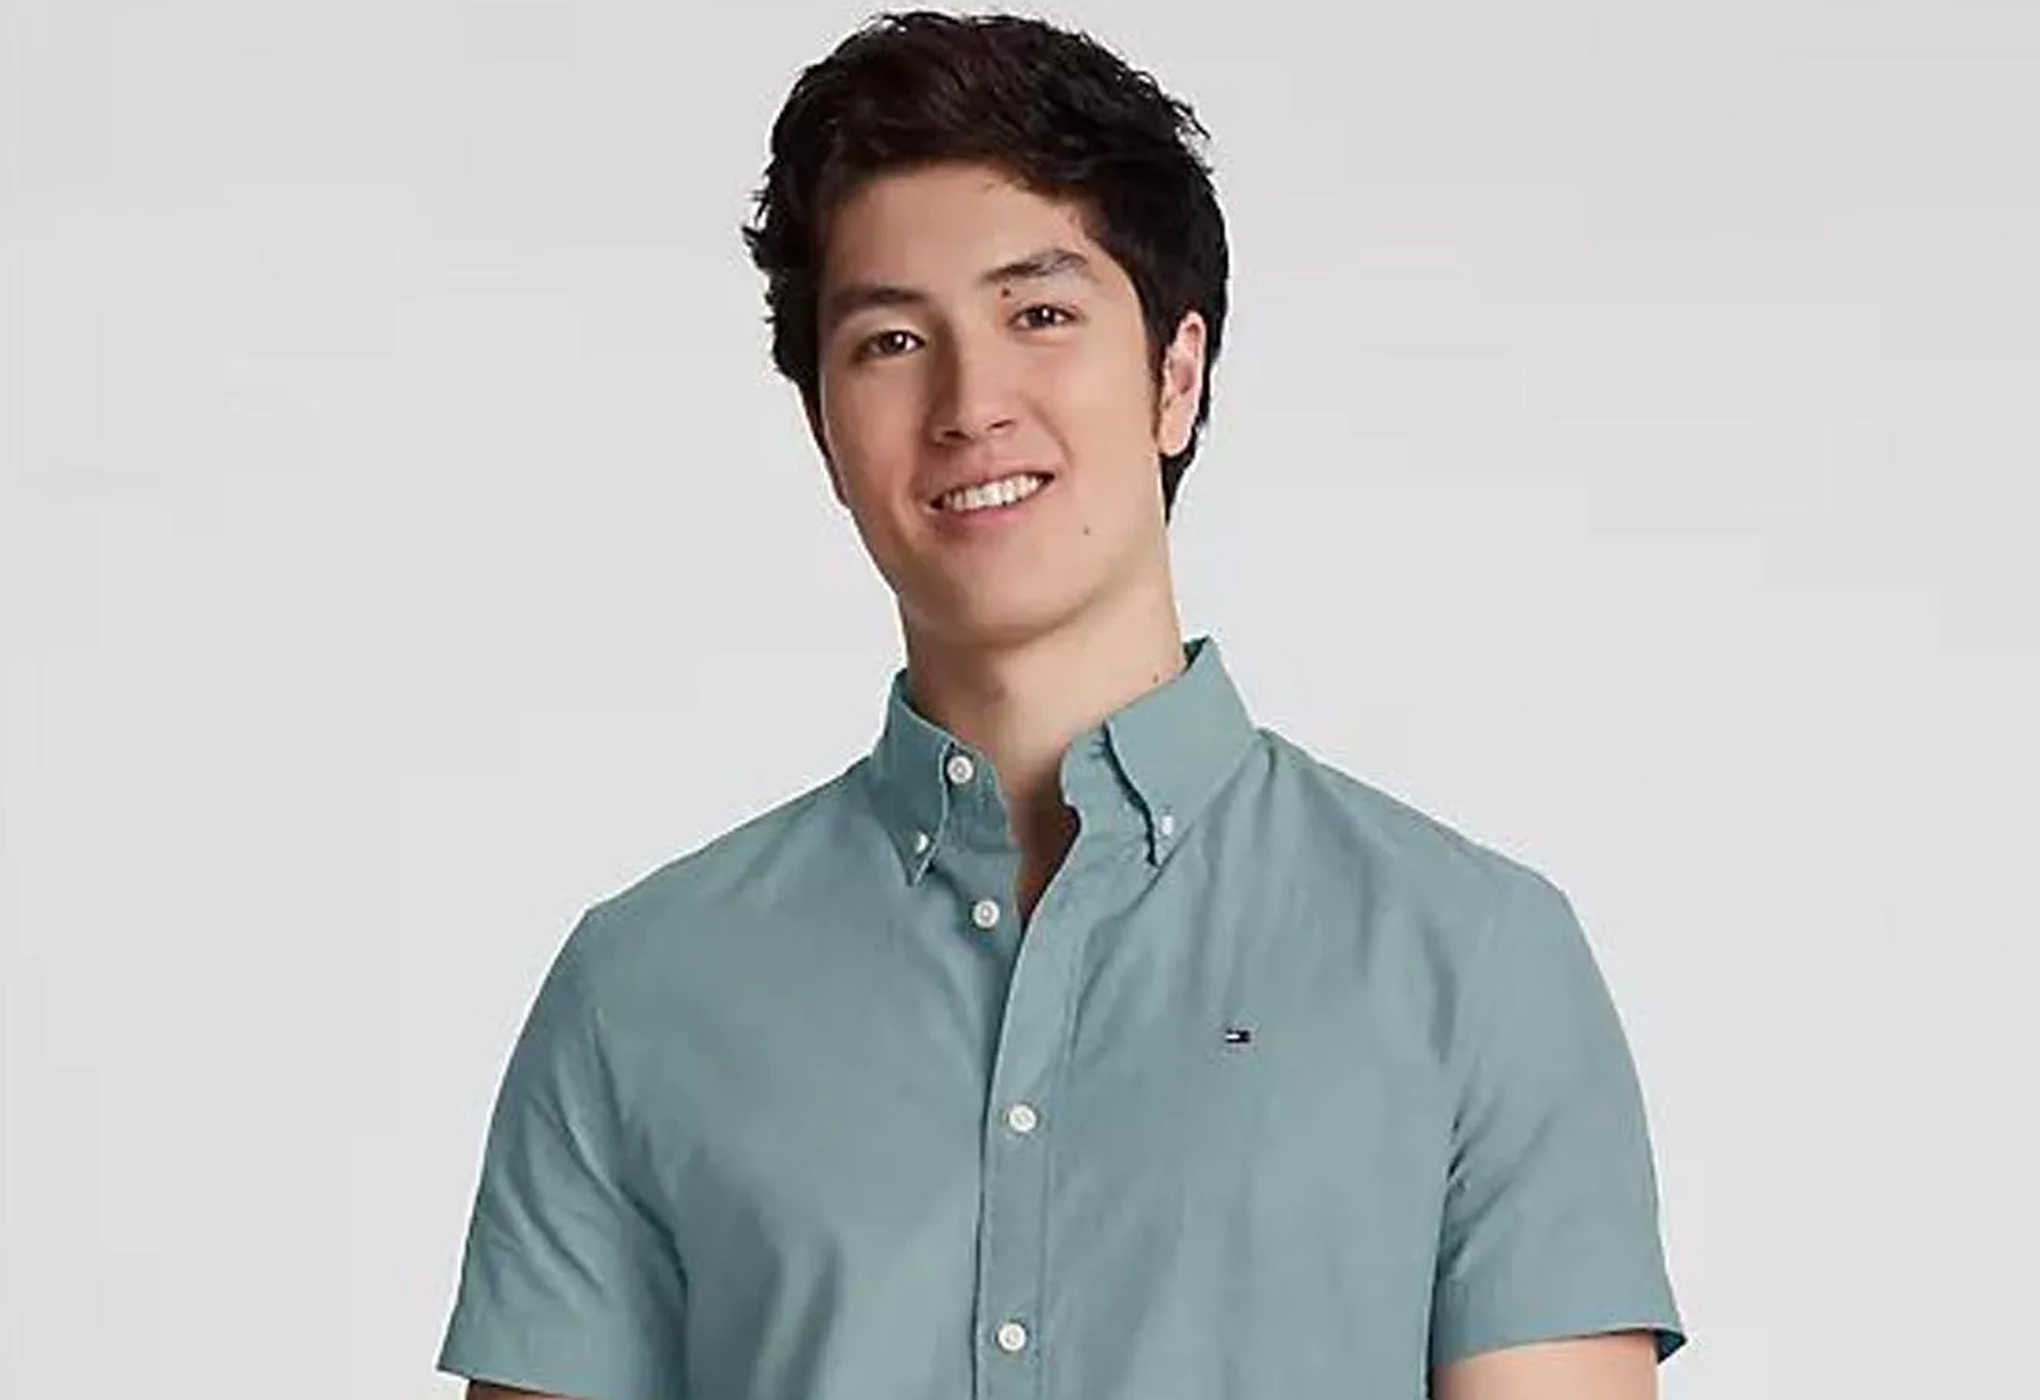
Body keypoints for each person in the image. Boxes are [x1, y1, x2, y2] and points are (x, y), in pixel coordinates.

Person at [435, 10, 1690, 1399]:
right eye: (891, 340)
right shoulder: (641, 994)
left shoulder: (1476, 964)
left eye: (1039, 314)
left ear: (1174, 375)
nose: (972, 403)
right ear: (826, 436)